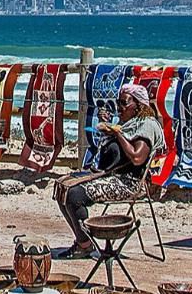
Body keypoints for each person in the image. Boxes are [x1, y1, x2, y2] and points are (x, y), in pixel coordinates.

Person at [53, 82, 164, 257]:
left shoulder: (146, 126)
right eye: (118, 103)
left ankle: (84, 244)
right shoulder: (130, 124)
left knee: (74, 194)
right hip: (112, 175)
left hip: (130, 182)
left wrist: (117, 133)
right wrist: (108, 126)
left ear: (138, 106)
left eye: (124, 103)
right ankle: (84, 240)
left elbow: (137, 157)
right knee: (62, 186)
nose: (119, 108)